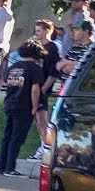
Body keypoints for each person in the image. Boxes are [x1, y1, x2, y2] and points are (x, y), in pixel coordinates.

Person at [0, 40, 44, 176]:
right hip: (24, 105)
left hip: (10, 103)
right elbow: (35, 89)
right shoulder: (35, 69)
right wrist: (35, 107)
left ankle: (2, 166)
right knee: (17, 137)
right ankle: (10, 167)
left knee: (7, 135)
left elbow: (6, 83)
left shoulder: (14, 66)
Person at [28, 20, 61, 160]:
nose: (37, 33)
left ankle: (46, 146)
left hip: (43, 85)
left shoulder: (52, 48)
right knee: (36, 116)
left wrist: (46, 86)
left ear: (47, 30)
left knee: (42, 117)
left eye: (39, 30)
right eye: (36, 31)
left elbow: (54, 70)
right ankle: (43, 143)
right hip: (34, 84)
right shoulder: (35, 47)